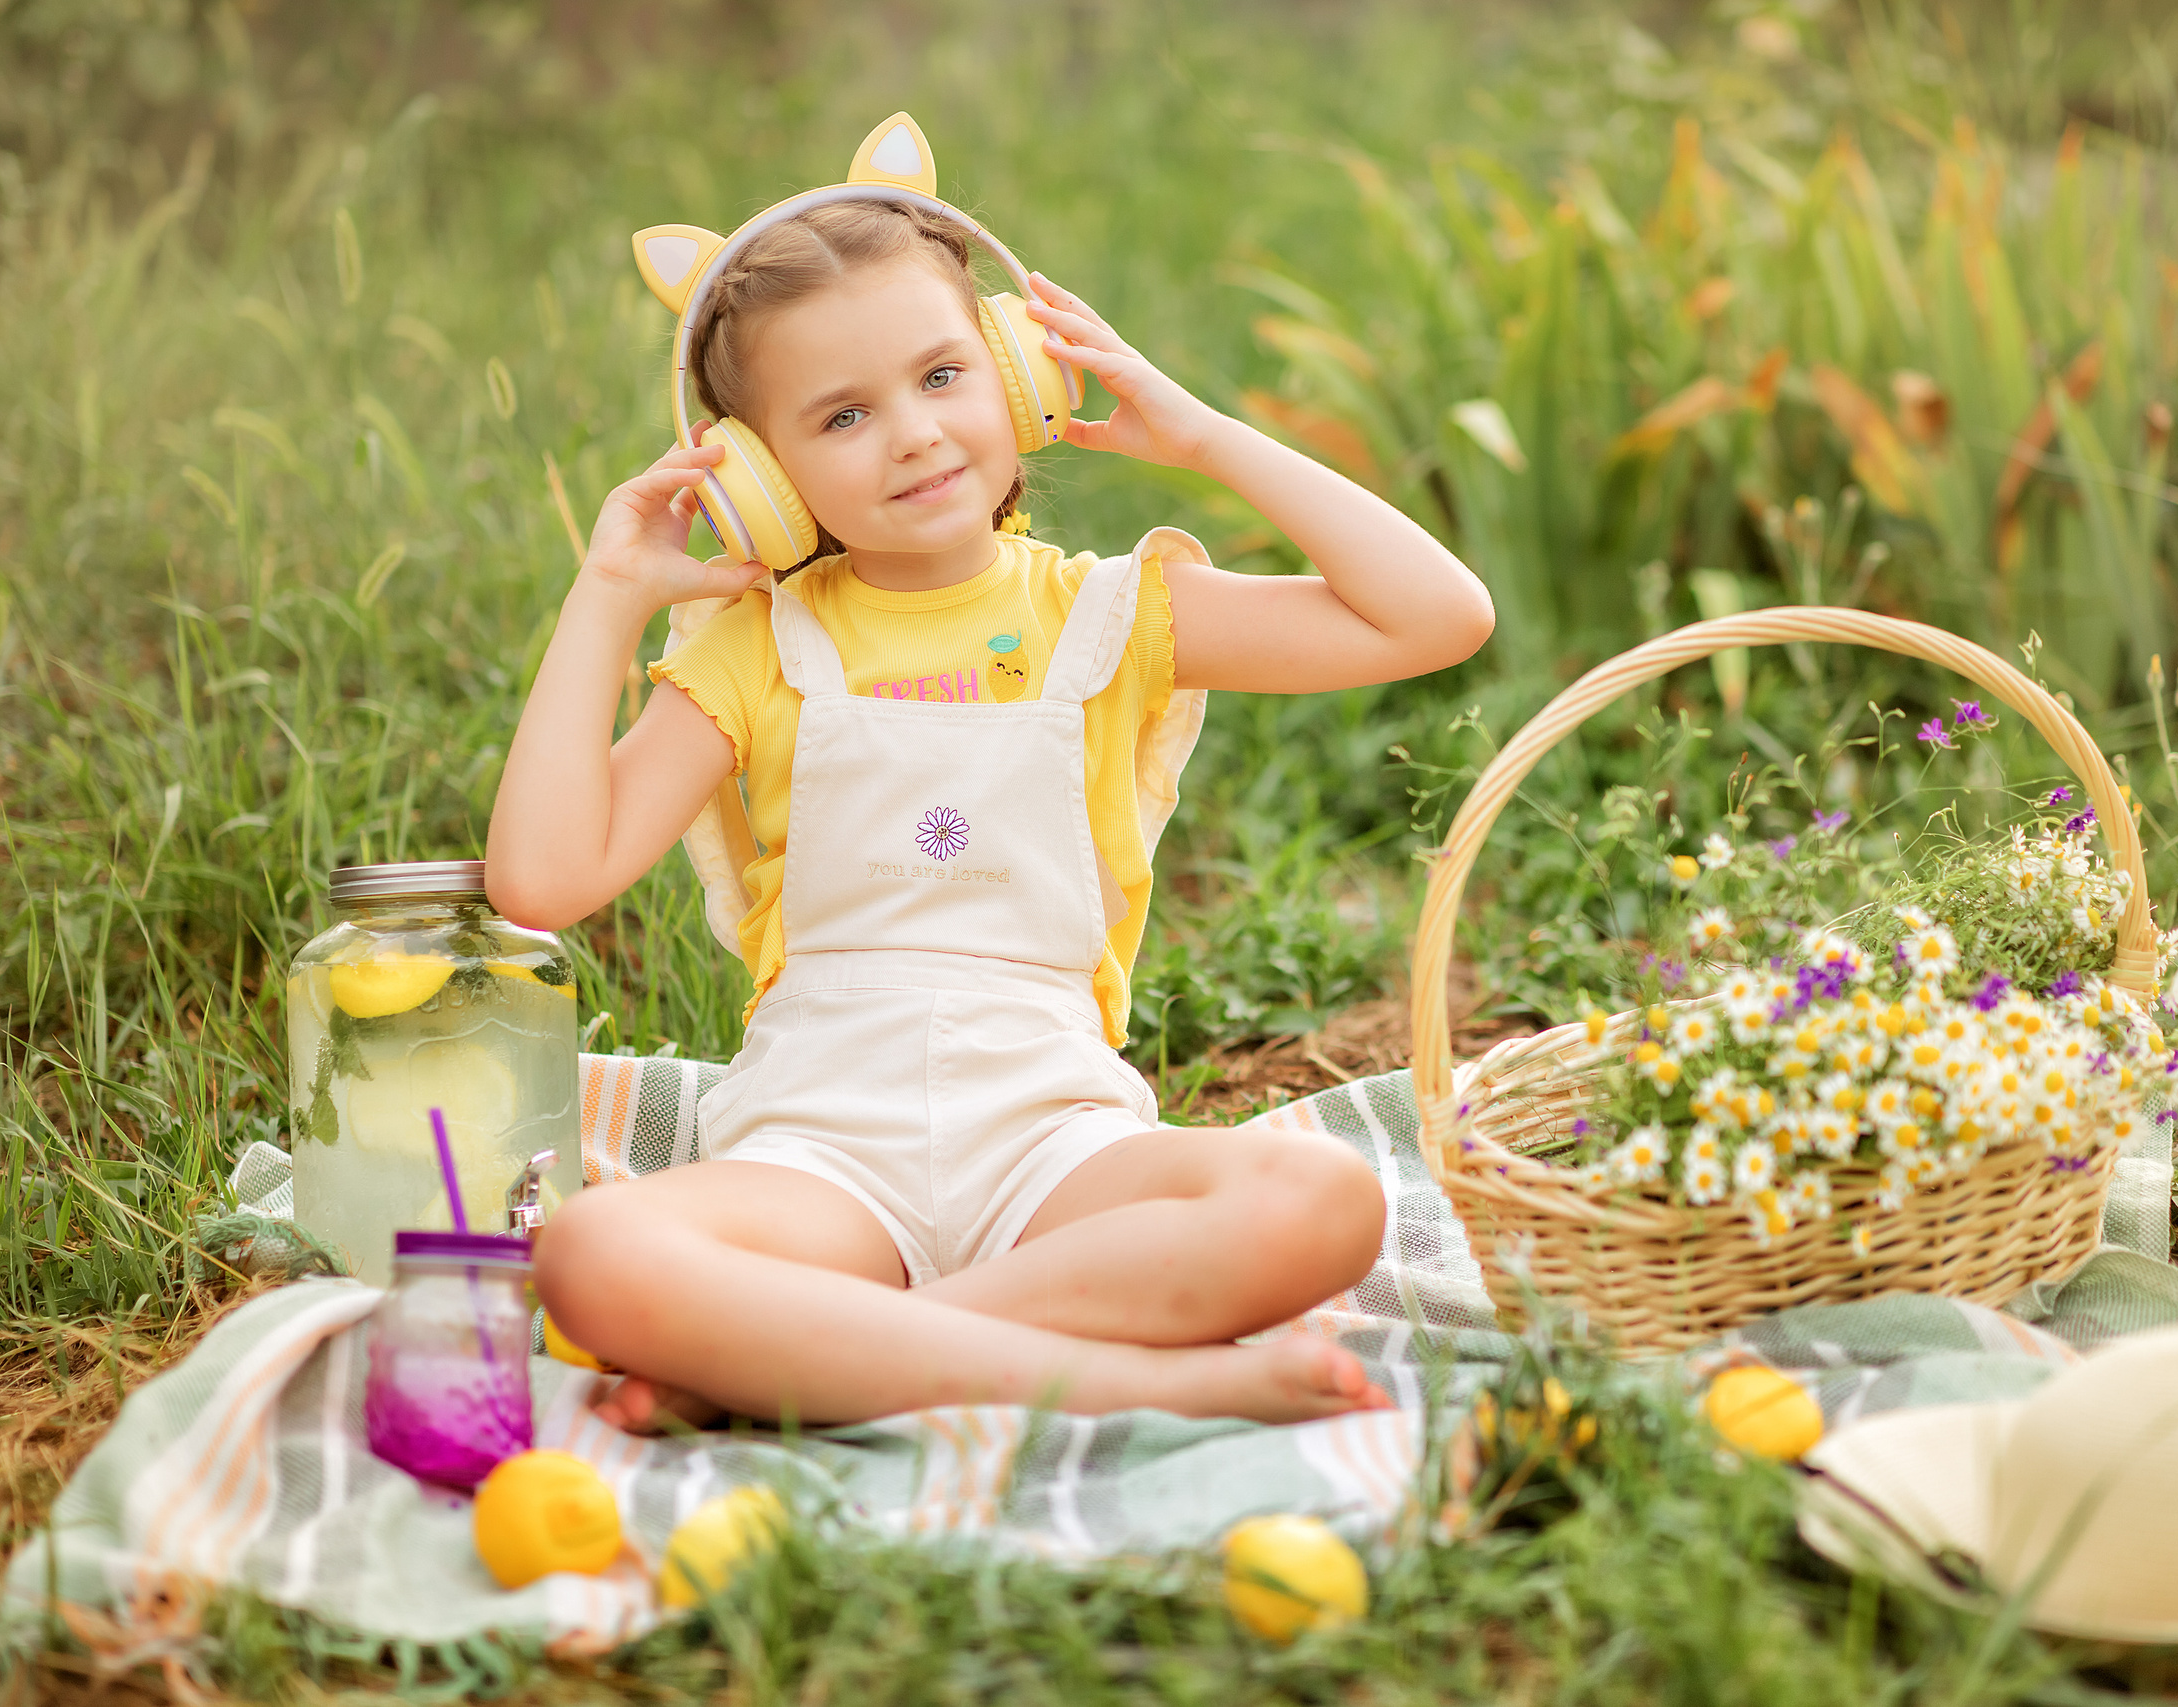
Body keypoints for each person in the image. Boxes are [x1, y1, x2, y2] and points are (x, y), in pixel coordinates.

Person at [486, 173, 1493, 1431]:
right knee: (593, 1257)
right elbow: (541, 879)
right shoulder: (754, 646)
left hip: (1053, 1144)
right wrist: (609, 592)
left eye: (945, 376)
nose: (912, 432)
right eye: (843, 414)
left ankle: (822, 1357)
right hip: (819, 1150)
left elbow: (1438, 618)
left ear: (1024, 374)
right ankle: (1133, 1378)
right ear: (760, 475)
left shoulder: (1112, 617)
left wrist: (1198, 435)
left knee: (1325, 1201)